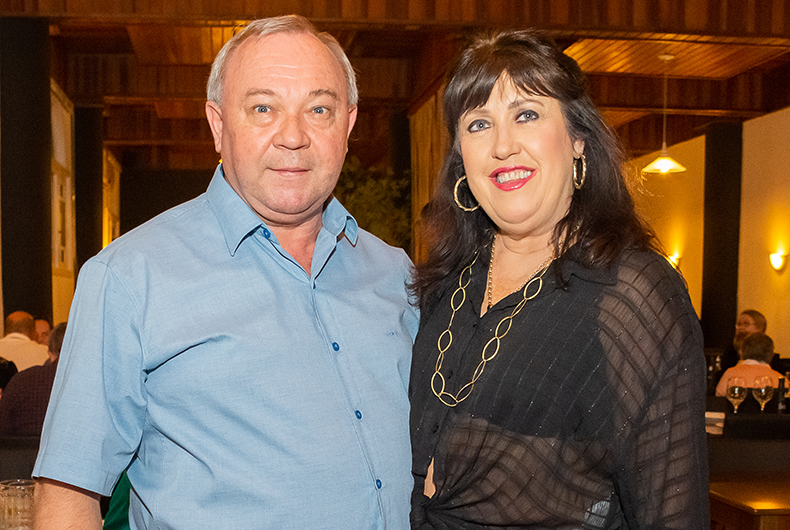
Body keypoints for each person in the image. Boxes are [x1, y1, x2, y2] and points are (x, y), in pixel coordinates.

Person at [33, 15, 418, 530]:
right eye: (263, 108)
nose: (293, 136)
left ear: (347, 126)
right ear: (218, 125)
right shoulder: (128, 277)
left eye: (318, 109)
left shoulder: (395, 274)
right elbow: (65, 498)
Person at [408, 29, 709, 529]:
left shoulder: (631, 293)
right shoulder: (447, 284)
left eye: (526, 115)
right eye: (479, 124)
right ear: (461, 158)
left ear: (576, 138)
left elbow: (673, 513)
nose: (503, 145)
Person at [0, 322, 66, 436]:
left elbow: (3, 427)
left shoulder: (22, 380)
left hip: (23, 446)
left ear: (50, 354)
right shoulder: (91, 383)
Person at [715, 332, 784, 397]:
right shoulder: (780, 380)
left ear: (741, 352)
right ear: (771, 354)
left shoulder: (730, 375)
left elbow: (719, 398)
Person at [717, 309, 767, 380]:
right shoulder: (730, 351)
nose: (741, 327)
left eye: (746, 324)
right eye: (739, 324)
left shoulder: (765, 351)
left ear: (759, 327)